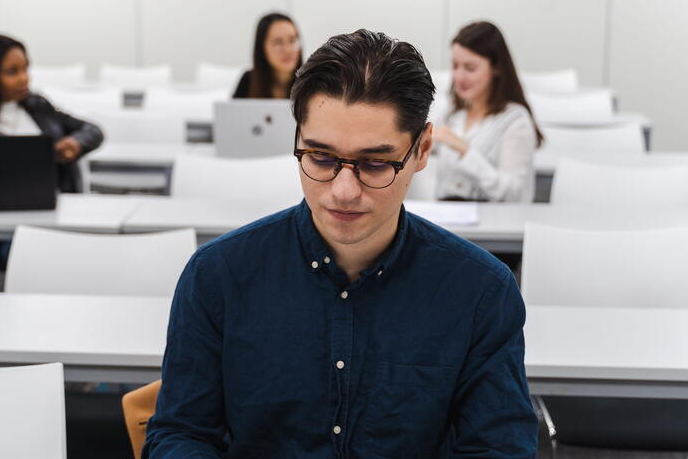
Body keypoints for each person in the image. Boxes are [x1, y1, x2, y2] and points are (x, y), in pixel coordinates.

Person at [145, 30, 537, 458]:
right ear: (296, 139)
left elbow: (499, 448)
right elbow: (181, 435)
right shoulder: (218, 276)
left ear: (422, 150)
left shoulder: (480, 291)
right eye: (321, 158)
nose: (343, 191)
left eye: (374, 163)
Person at [0, 33, 103, 193]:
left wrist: (76, 143)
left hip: (55, 206)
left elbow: (92, 130)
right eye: (12, 72)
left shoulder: (38, 106)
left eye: (25, 69)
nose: (24, 78)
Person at [433, 21, 543, 202]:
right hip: (447, 217)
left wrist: (465, 151)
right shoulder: (453, 113)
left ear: (496, 68)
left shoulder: (515, 121)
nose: (459, 77)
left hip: (495, 225)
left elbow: (513, 195)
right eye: (455, 66)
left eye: (470, 68)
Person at [232, 12, 303, 99]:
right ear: (262, 48)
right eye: (278, 43)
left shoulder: (312, 82)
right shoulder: (248, 80)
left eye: (292, 40)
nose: (287, 50)